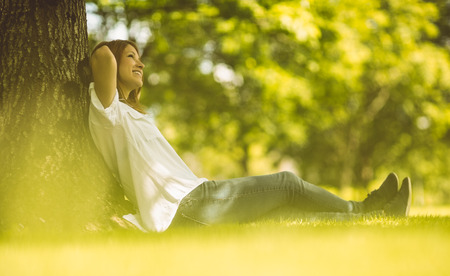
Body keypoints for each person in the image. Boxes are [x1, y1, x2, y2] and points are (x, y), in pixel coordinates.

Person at [88, 40, 412, 233]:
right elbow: (102, 55)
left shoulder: (131, 114)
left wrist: (126, 58)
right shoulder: (107, 111)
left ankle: (378, 214)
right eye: (130, 56)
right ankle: (363, 207)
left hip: (189, 204)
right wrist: (115, 51)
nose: (140, 63)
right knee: (287, 183)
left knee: (289, 213)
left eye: (138, 56)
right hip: (186, 205)